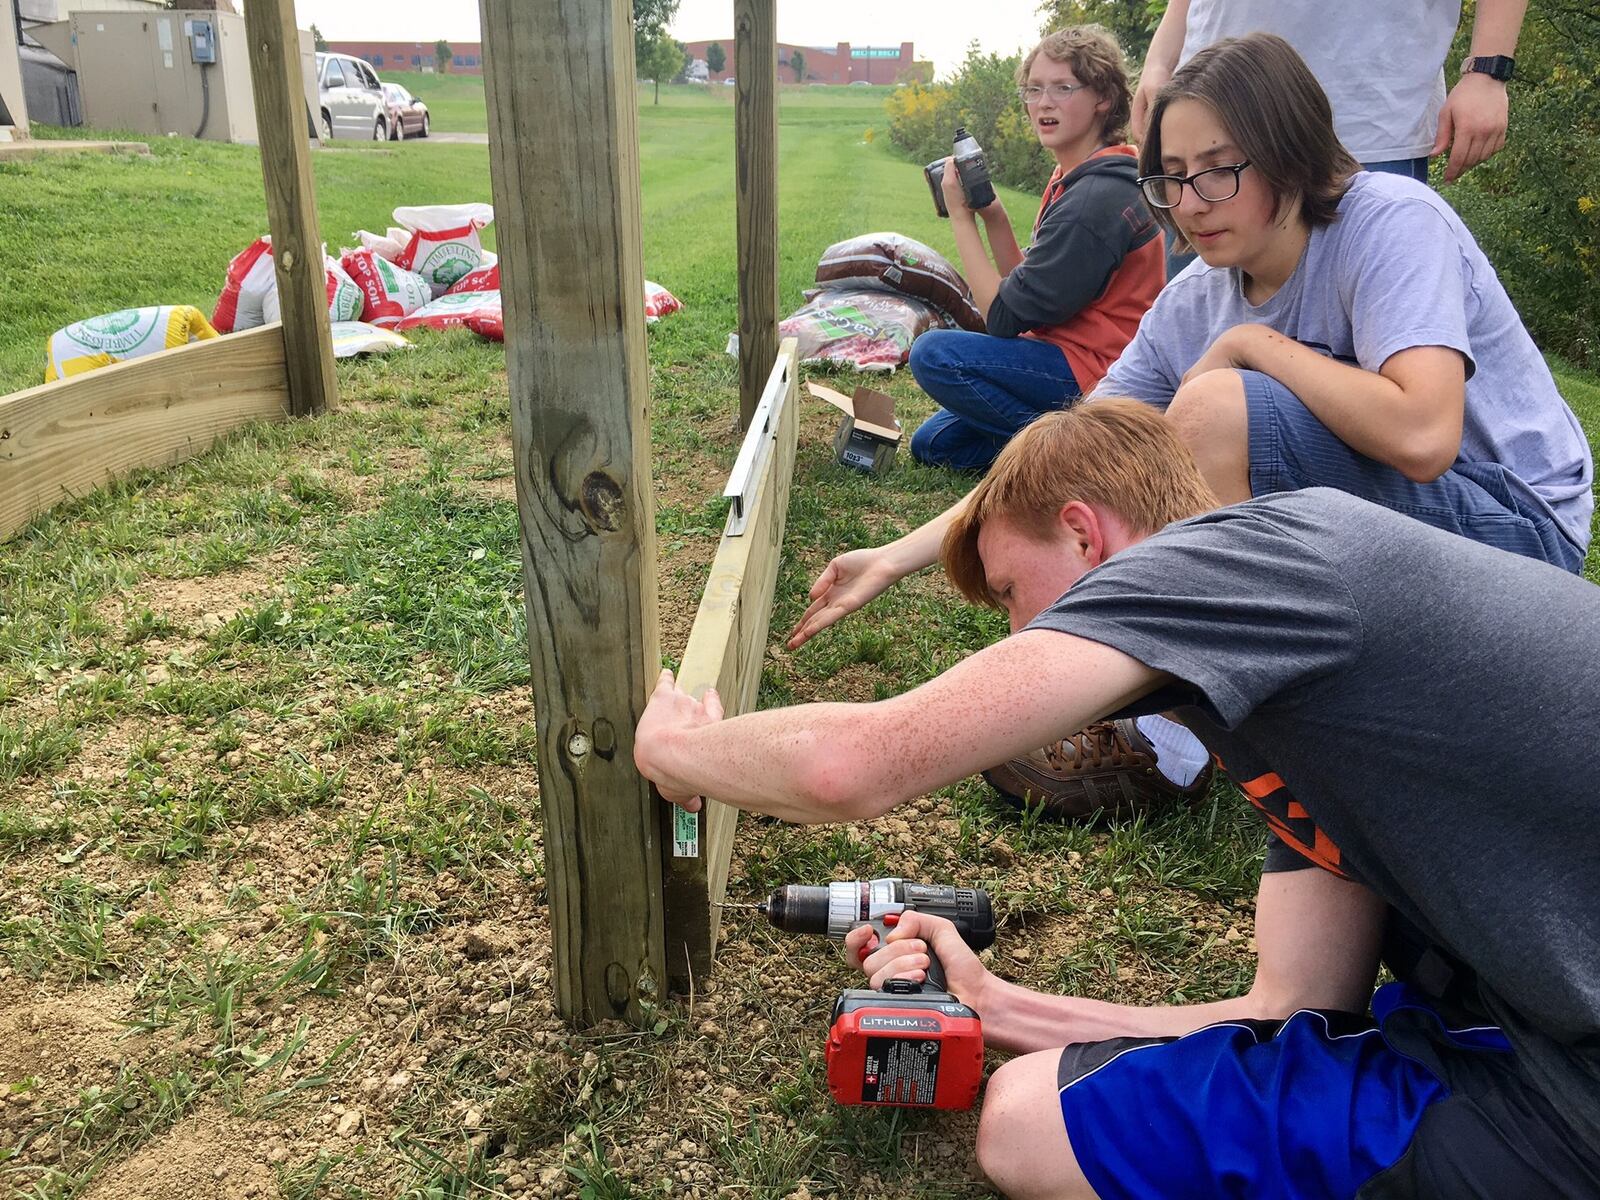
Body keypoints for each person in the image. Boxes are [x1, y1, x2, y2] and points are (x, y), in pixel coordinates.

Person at [634, 400, 1600, 1199]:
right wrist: (993, 1002)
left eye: (1014, 594)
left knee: (1025, 1127)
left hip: (1569, 1099)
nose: (1016, 632)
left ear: (1087, 534)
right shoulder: (1296, 691)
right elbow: (1296, 1006)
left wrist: (679, 751)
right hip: (1523, 1021)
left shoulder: (1228, 566)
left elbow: (854, 765)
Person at [785, 32, 1593, 816]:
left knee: (1215, 408)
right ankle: (1221, 701)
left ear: (1289, 153)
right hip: (1398, 552)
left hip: (1518, 542)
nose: (1192, 204)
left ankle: (1176, 741)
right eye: (1171, 177)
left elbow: (1424, 436)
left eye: (1219, 171)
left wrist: (1252, 345)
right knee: (1144, 442)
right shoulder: (1199, 294)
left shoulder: (1389, 223)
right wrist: (894, 559)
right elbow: (1079, 445)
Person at [908, 26, 1163, 472]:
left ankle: (1080, 454)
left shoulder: (1094, 201)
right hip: (1060, 353)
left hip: (1096, 375)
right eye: (1034, 89)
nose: (1043, 103)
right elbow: (1030, 294)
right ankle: (1059, 442)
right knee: (935, 444)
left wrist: (962, 219)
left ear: (1103, 98)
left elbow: (1002, 319)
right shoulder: (1076, 177)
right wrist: (994, 216)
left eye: (1063, 88)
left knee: (933, 355)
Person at [1132, 0, 1529, 185]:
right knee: (1198, 340)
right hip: (1207, 112)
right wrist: (1159, 62)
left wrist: (1488, 69)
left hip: (1363, 126)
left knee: (1360, 343)